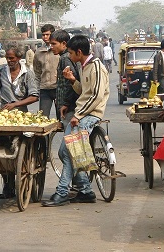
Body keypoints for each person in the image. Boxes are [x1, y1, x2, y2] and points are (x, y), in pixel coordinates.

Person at [42, 35, 109, 207]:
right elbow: (83, 91)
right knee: (65, 152)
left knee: (69, 152)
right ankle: (86, 191)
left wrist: (78, 116)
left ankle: (62, 192)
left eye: (71, 53)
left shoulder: (96, 67)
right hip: (81, 113)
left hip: (90, 115)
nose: (69, 57)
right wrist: (73, 80)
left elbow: (96, 96)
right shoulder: (83, 67)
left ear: (79, 52)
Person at [0, 46, 39, 198]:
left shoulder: (28, 74)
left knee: (19, 146)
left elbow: (34, 96)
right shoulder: (1, 71)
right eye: (7, 58)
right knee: (1, 145)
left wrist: (15, 104)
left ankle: (19, 180)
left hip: (21, 115)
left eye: (12, 58)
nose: (9, 61)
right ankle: (8, 184)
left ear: (19, 58)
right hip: (4, 116)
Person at [49, 30, 80, 129]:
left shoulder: (65, 59)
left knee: (70, 135)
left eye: (54, 44)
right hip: (71, 103)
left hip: (69, 106)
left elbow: (71, 81)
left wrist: (66, 103)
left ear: (64, 44)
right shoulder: (67, 57)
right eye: (50, 44)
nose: (51, 47)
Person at [34, 24, 59, 118]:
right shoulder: (38, 52)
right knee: (43, 118)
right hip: (44, 89)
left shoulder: (59, 50)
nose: (45, 37)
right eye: (43, 35)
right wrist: (36, 90)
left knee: (61, 117)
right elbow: (37, 72)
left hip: (58, 88)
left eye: (47, 34)